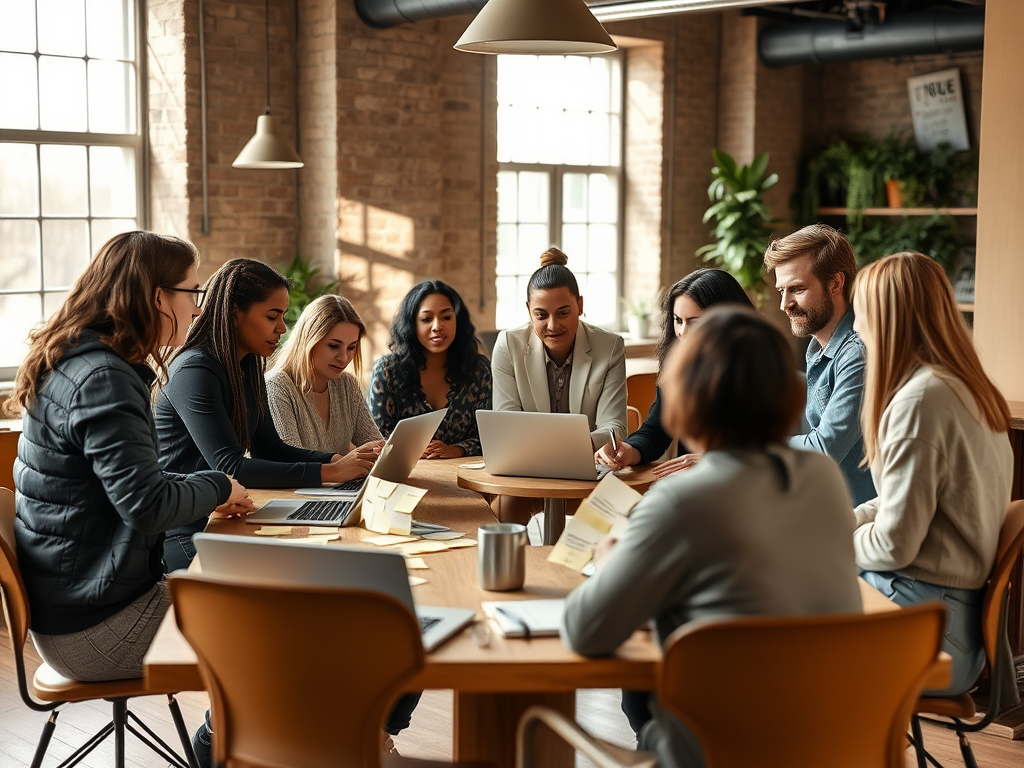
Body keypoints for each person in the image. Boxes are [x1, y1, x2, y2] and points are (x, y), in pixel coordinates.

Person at [561, 307, 861, 767]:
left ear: (686, 397)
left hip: (716, 749)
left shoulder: (681, 500)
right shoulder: (821, 477)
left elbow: (585, 631)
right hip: (824, 742)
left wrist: (608, 561)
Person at [7, 231, 249, 684]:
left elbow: (133, 483)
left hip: (79, 609)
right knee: (282, 624)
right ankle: (219, 752)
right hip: (98, 629)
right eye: (192, 292)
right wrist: (217, 484)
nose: (198, 308)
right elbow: (147, 505)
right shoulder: (104, 377)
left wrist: (203, 489)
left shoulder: (77, 360)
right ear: (158, 297)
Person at [852, 251, 1017, 704]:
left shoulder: (920, 401)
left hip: (927, 635)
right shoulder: (963, 388)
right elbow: (898, 505)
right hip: (949, 627)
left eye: (861, 314)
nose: (855, 329)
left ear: (888, 320)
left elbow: (893, 544)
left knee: (763, 639)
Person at [156, 259, 371, 573]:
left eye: (282, 317)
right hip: (185, 530)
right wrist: (329, 473)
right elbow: (230, 466)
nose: (282, 328)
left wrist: (335, 460)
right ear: (234, 313)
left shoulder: (247, 364)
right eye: (272, 316)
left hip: (227, 513)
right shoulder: (195, 369)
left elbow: (270, 446)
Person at [491, 248, 627, 524]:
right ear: (529, 311)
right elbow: (508, 424)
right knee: (503, 509)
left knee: (618, 503)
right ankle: (524, 569)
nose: (552, 325)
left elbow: (615, 426)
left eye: (564, 313)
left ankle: (577, 567)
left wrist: (570, 449)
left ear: (580, 304)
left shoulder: (610, 346)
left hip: (591, 470)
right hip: (528, 471)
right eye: (541, 315)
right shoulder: (508, 345)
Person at [596, 268, 753, 477]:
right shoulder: (678, 368)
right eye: (678, 320)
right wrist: (629, 450)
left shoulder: (757, 369)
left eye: (694, 322)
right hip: (693, 486)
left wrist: (715, 459)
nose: (682, 332)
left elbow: (772, 447)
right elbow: (656, 432)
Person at [762, 223, 875, 505]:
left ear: (836, 283)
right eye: (781, 291)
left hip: (855, 521)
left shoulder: (856, 353)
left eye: (797, 289)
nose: (784, 304)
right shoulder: (818, 347)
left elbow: (824, 448)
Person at [367, 280, 491, 458]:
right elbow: (375, 439)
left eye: (446, 317)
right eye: (426, 319)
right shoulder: (387, 370)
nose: (437, 327)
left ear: (458, 321)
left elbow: (490, 437)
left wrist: (455, 450)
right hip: (402, 477)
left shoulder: (479, 370)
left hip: (462, 476)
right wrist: (411, 449)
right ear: (412, 324)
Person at [266, 294, 383, 459]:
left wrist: (384, 451)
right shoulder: (277, 386)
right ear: (308, 340)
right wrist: (346, 461)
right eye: (334, 346)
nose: (344, 358)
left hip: (336, 484)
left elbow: (376, 445)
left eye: (351, 347)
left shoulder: (347, 385)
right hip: (291, 486)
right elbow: (292, 462)